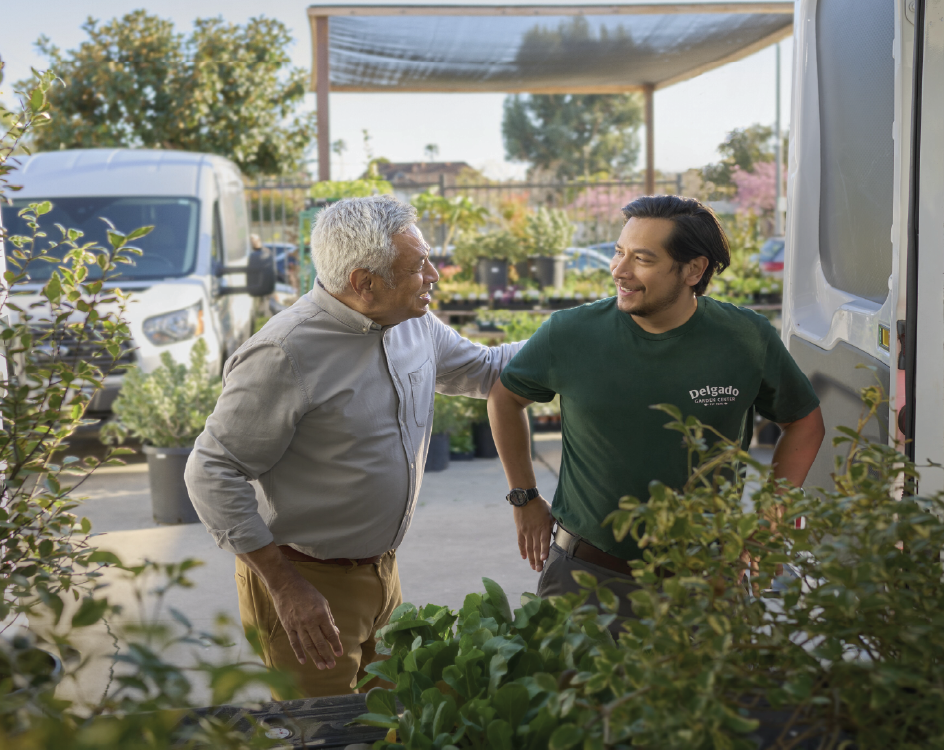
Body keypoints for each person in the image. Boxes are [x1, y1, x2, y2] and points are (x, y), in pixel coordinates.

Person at [186, 195, 522, 698]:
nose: (433, 275)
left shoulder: (414, 323)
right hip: (305, 581)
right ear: (364, 283)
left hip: (382, 571)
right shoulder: (285, 352)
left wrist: (587, 329)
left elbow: (486, 369)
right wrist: (285, 587)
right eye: (418, 266)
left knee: (388, 720)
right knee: (324, 732)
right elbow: (210, 470)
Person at [487, 195, 825, 621]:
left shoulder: (745, 338)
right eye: (619, 252)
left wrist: (768, 525)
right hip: (587, 577)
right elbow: (505, 397)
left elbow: (804, 422)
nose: (619, 270)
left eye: (642, 259)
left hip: (708, 581)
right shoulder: (570, 334)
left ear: (693, 270)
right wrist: (524, 497)